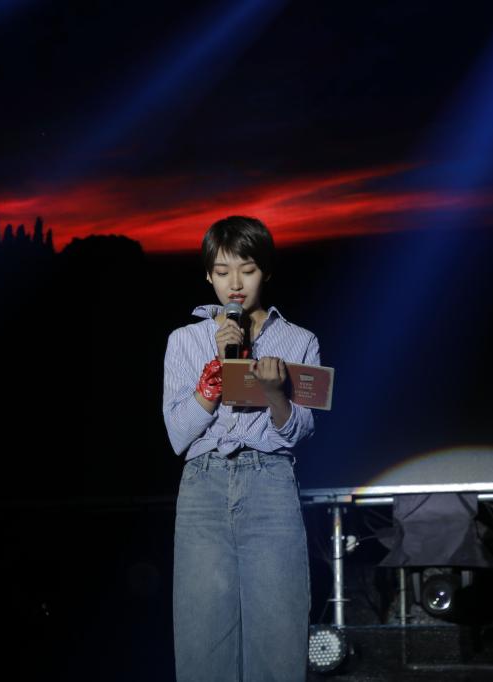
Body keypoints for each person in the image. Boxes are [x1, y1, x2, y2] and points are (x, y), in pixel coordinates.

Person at [163, 216, 320, 682]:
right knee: (202, 639)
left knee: (277, 635)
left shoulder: (299, 340)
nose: (235, 283)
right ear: (208, 275)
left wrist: (275, 393)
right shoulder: (183, 341)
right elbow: (177, 435)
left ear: (265, 271)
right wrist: (214, 376)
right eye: (222, 271)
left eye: (247, 270)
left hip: (269, 483)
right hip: (203, 486)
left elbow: (300, 432)